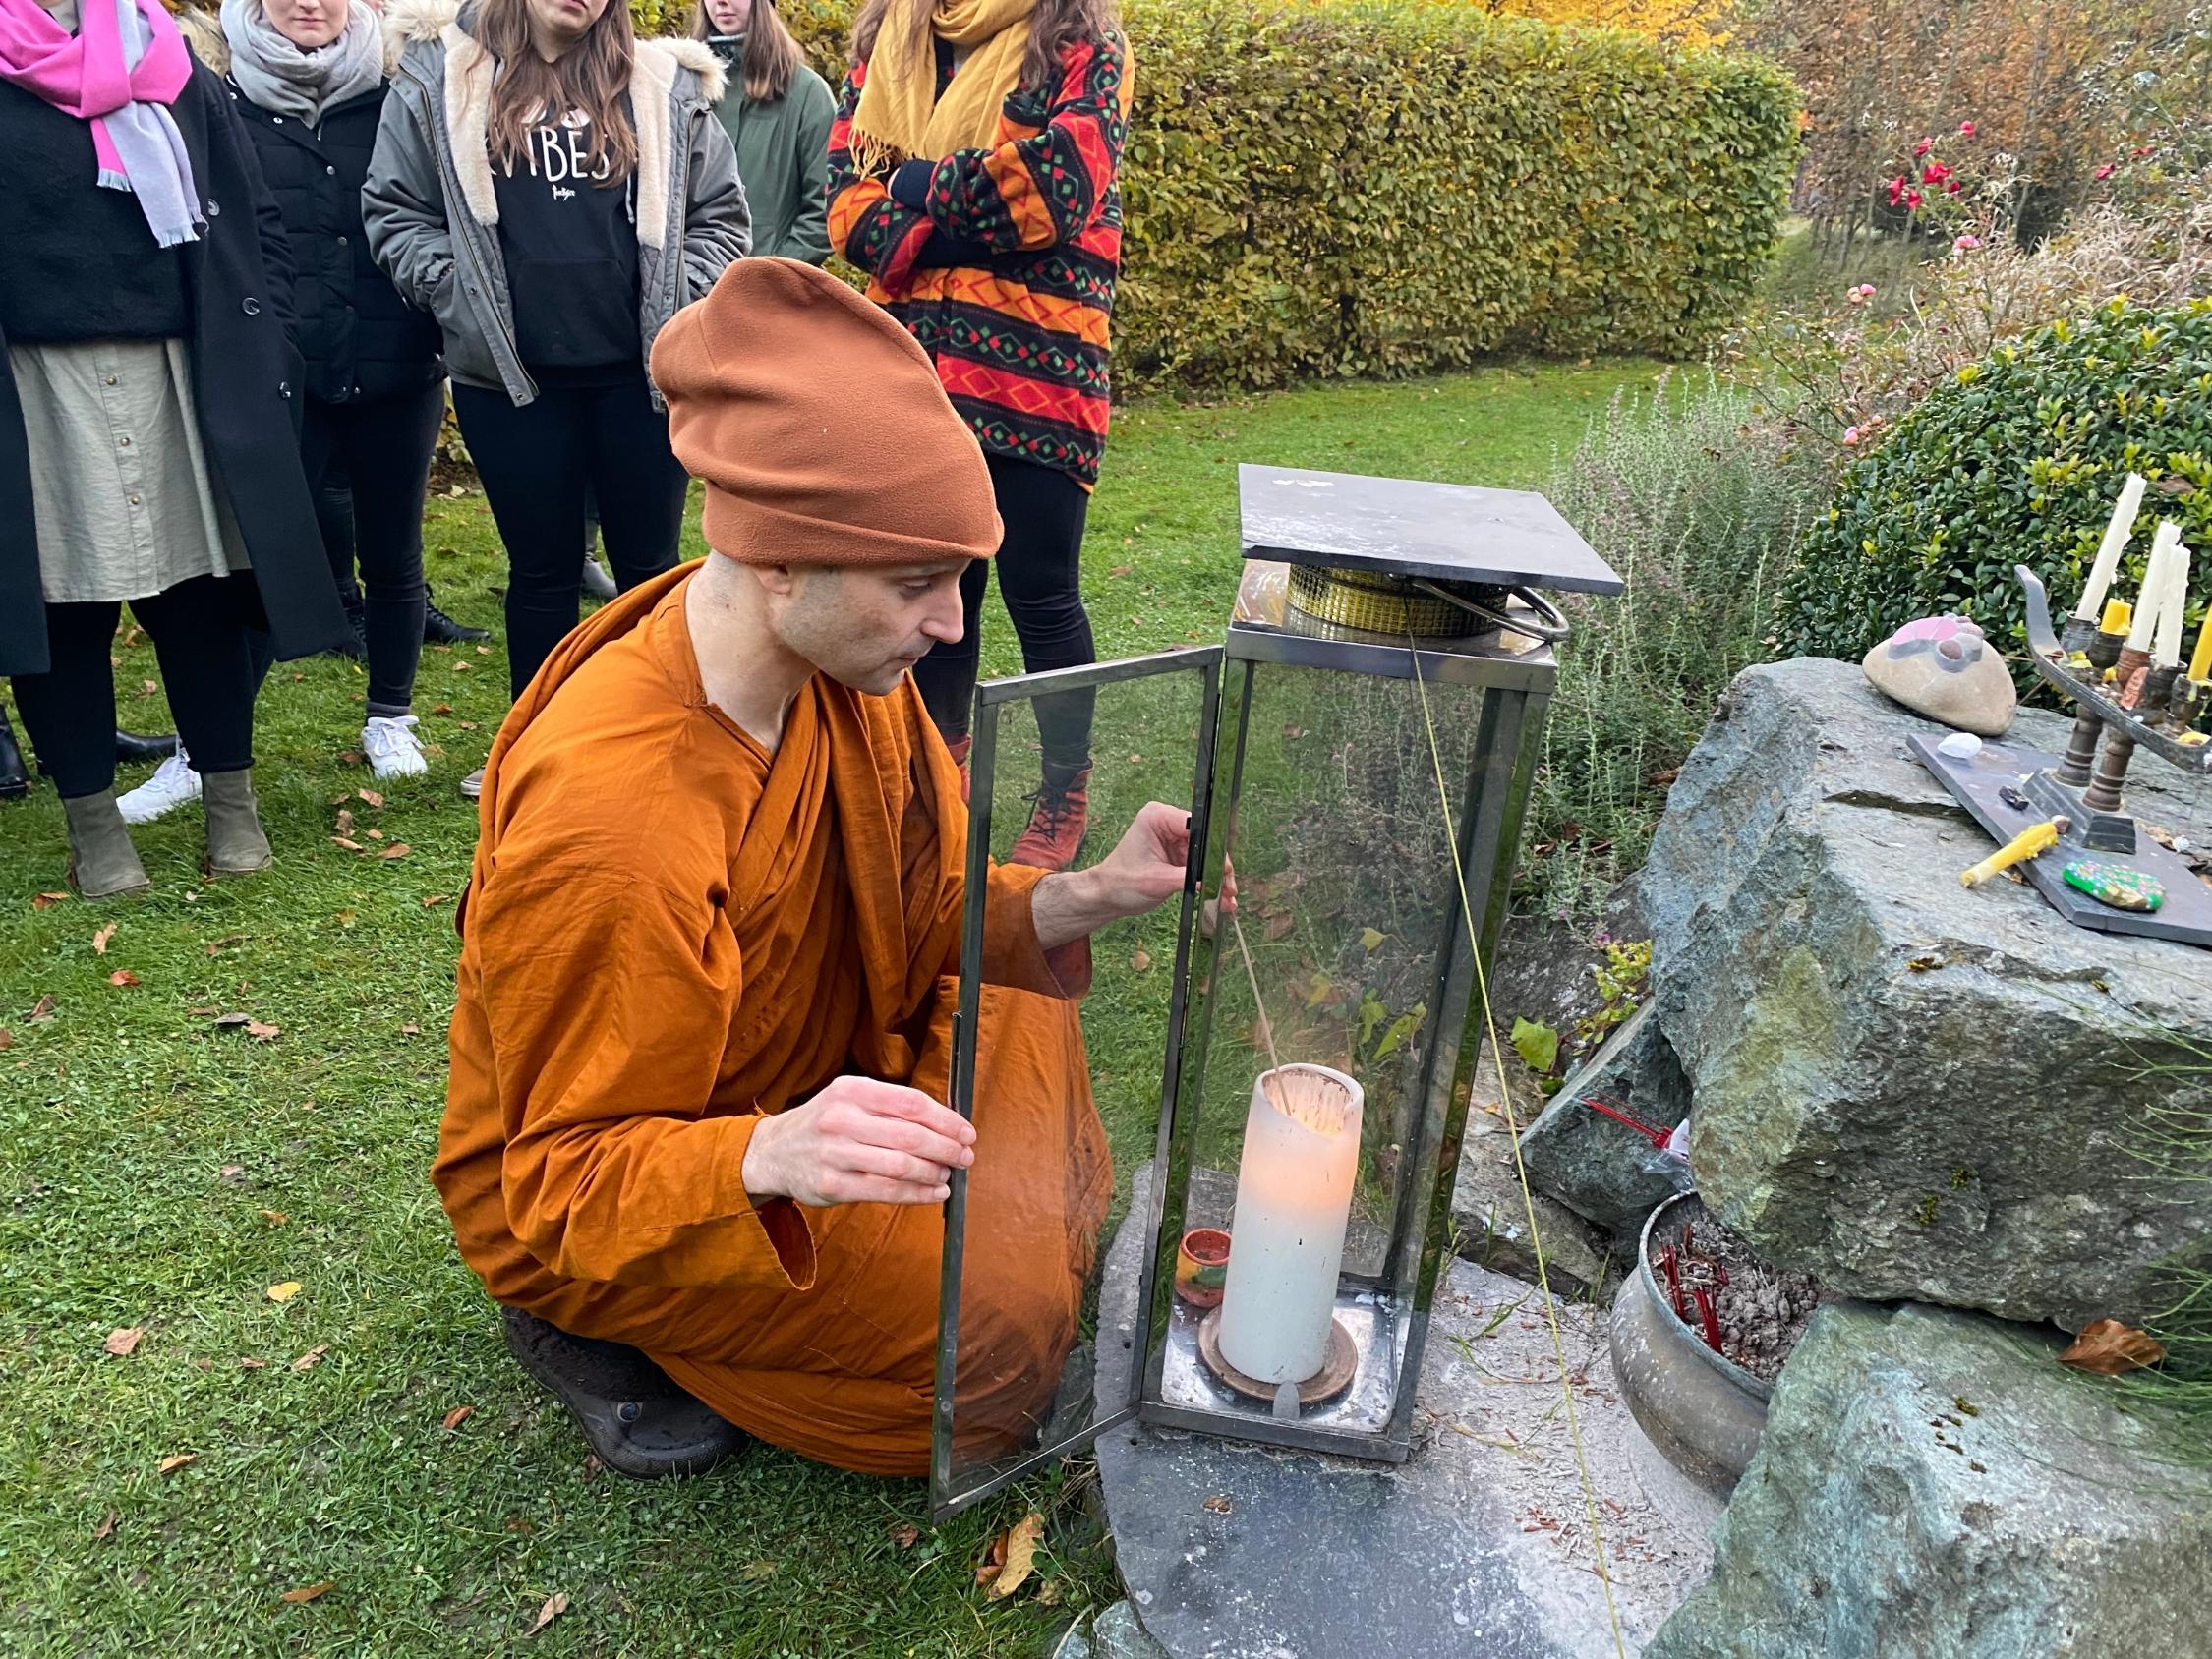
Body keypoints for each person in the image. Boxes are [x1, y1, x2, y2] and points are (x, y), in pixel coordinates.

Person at [435, 257, 1190, 1479]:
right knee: (997, 1340)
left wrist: (1081, 894)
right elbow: (559, 1174)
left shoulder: (841, 663)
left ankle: (898, 1224)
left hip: (828, 1070)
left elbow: (923, 903)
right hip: (641, 1189)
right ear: (781, 557)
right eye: (917, 584)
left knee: (1025, 1014)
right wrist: (770, 1153)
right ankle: (587, 1322)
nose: (953, 623)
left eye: (957, 580)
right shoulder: (617, 817)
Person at [0, 0, 351, 896]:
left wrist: (273, 340)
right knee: (64, 613)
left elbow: (253, 218)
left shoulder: (169, 62)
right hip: (35, 383)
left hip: (185, 373)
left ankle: (232, 806)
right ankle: (96, 831)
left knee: (202, 601)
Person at [364, 0, 749, 798]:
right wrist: (456, 295)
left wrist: (682, 299)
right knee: (541, 573)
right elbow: (395, 208)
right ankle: (538, 749)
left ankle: (653, 742)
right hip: (511, 380)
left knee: (648, 572)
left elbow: (721, 216)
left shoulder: (663, 84)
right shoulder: (443, 78)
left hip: (641, 379)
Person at [827, 0, 1131, 873]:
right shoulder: (889, 42)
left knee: (1042, 592)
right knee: (933, 590)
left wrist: (913, 184)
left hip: (1041, 373)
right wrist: (963, 207)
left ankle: (1064, 787)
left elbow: (1053, 194)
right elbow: (846, 207)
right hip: (914, 369)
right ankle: (938, 783)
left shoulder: (1082, 41)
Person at [196, 0, 448, 783]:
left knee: (394, 554)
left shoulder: (406, 90)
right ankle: (207, 749)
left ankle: (390, 717)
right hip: (278, 373)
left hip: (396, 360)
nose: (309, 3)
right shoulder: (215, 91)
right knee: (260, 559)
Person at [695, 0, 832, 264]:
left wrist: (769, 275)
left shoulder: (808, 94)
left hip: (770, 285)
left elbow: (825, 209)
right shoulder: (682, 88)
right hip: (691, 285)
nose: (721, 1)